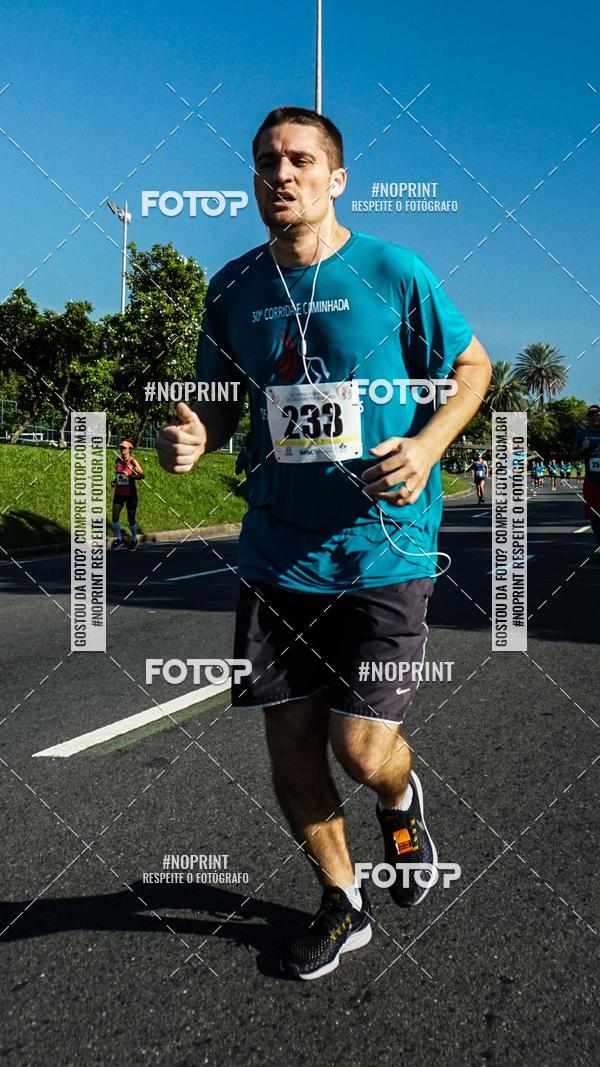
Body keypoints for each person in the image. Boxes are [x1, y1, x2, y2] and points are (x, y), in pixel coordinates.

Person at [156, 106, 492, 980]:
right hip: (276, 552)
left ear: (336, 178)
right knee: (291, 747)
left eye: (301, 160)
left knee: (361, 749)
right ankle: (343, 901)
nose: (283, 174)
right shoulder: (231, 289)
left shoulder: (393, 271)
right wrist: (195, 433)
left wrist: (426, 446)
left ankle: (400, 795)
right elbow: (218, 404)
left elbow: (473, 368)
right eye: (267, 162)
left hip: (383, 546)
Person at [571, 405, 600, 559]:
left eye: (598, 414)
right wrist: (583, 448)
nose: (595, 417)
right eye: (592, 415)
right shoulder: (582, 434)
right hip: (591, 482)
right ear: (588, 418)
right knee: (594, 515)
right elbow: (573, 455)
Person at [111, 440, 144, 550]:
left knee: (131, 518)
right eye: (121, 448)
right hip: (119, 492)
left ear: (130, 449)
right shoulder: (118, 461)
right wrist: (115, 481)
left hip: (130, 493)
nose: (122, 450)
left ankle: (134, 539)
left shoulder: (132, 461)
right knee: (115, 515)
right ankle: (119, 539)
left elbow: (142, 475)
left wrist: (131, 477)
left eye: (124, 448)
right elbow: (119, 475)